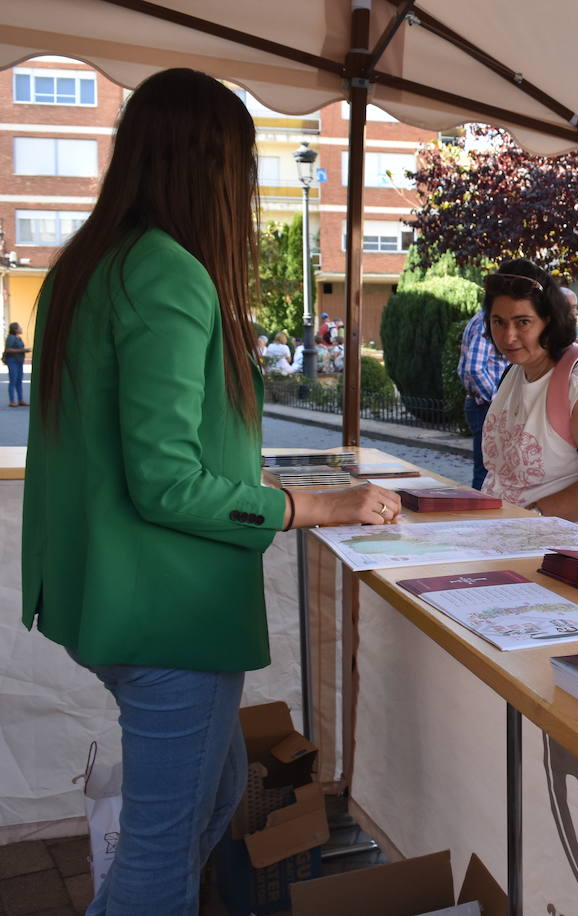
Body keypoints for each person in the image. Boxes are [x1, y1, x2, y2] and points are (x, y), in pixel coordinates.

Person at [19, 69, 402, 916]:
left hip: (105, 599)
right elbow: (163, 481)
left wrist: (251, 478)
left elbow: (130, 449)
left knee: (218, 787)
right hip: (165, 613)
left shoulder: (90, 266)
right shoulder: (169, 272)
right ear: (212, 167)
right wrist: (312, 506)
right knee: (160, 866)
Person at [481, 261, 578, 534]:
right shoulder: (516, 371)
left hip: (566, 555)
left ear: (548, 320)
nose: (509, 335)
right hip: (509, 543)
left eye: (523, 322)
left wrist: (533, 518)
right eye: (498, 322)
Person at [458, 297, 511, 490]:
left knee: (488, 471)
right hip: (485, 406)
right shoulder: (486, 322)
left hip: (481, 404)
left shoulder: (481, 319)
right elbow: (474, 369)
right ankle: (481, 518)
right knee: (488, 472)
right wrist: (498, 400)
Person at [5, 321, 29, 407]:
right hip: (12, 361)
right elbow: (8, 350)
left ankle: (20, 400)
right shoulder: (11, 338)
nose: (21, 329)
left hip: (19, 362)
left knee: (19, 381)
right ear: (15, 329)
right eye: (19, 327)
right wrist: (23, 350)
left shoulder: (18, 338)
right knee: (13, 381)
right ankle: (12, 401)